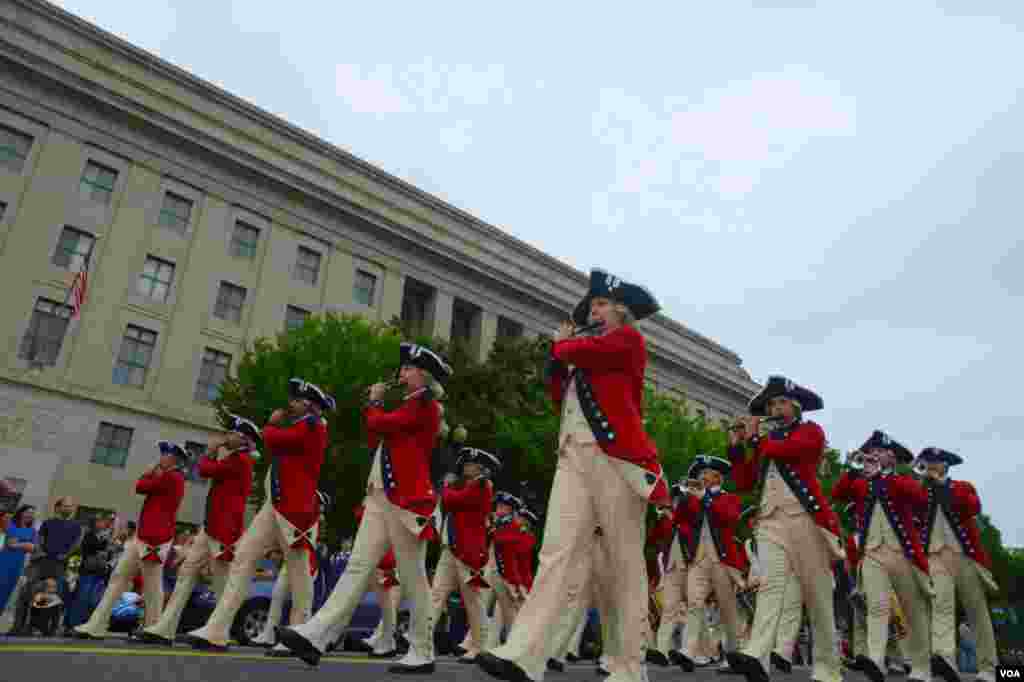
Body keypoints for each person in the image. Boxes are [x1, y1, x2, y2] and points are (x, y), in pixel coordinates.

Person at [478, 268, 668, 682]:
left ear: (621, 310)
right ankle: (524, 654)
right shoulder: (584, 351)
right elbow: (556, 393)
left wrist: (564, 344)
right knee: (555, 553)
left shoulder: (627, 339)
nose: (594, 311)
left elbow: (585, 353)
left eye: (600, 304)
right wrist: (557, 356)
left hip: (618, 460)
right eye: (592, 306)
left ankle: (630, 667)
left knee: (624, 564)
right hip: (573, 457)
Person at [277, 343, 450, 673]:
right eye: (404, 368)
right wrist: (376, 406)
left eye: (409, 368)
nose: (402, 372)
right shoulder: (411, 404)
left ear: (425, 376)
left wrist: (374, 402)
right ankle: (316, 635)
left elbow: (381, 424)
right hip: (382, 496)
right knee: (357, 567)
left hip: (406, 500)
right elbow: (381, 435)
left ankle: (422, 650)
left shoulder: (426, 405)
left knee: (413, 578)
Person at [184, 379, 332, 652]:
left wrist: (272, 424)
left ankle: (302, 634)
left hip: (295, 511)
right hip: (275, 505)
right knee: (243, 559)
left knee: (299, 575)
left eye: (297, 400)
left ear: (310, 405)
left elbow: (275, 439)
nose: (290, 404)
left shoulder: (312, 426)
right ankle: (217, 629)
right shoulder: (302, 425)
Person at [725, 375, 844, 682]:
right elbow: (744, 483)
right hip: (770, 520)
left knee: (818, 597)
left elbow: (790, 451)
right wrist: (737, 449)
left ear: (795, 405)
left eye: (780, 403)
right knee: (770, 587)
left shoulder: (810, 431)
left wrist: (755, 439)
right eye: (771, 404)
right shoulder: (768, 441)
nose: (774, 408)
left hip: (806, 519)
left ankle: (829, 669)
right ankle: (757, 656)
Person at [135, 416, 258, 645]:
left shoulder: (241, 460)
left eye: (231, 433)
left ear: (243, 439)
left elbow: (204, 470)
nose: (224, 436)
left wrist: (210, 453)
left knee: (222, 583)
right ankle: (165, 628)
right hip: (211, 526)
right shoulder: (234, 458)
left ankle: (220, 633)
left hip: (225, 530)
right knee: (186, 574)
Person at [831, 431, 932, 682]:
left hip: (902, 553)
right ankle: (876, 660)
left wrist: (884, 476)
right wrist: (853, 468)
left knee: (912, 610)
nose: (873, 454)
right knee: (876, 607)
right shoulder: (861, 482)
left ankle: (920, 665)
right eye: (871, 451)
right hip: (872, 554)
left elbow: (920, 497)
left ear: (892, 457)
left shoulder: (901, 481)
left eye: (879, 451)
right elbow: (838, 493)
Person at [73, 442, 187, 638]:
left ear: (173, 459)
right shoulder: (168, 476)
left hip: (155, 539)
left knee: (151, 586)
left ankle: (154, 628)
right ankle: (97, 623)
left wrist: (148, 473)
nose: (160, 459)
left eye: (164, 455)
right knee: (118, 578)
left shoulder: (173, 477)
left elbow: (140, 487)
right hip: (142, 536)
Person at [916, 447, 997, 682]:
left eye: (935, 462)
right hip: (935, 555)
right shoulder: (922, 491)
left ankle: (989, 668)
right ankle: (945, 658)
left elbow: (972, 507)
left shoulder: (962, 487)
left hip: (965, 556)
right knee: (940, 605)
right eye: (927, 461)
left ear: (945, 466)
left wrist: (941, 486)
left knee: (976, 611)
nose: (929, 465)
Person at [674, 456, 745, 673]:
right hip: (698, 559)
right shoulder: (696, 498)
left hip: (722, 561)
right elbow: (680, 518)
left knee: (727, 611)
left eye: (706, 474)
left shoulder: (729, 498)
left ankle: (734, 656)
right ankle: (688, 651)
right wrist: (685, 497)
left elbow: (728, 517)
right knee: (694, 604)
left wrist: (704, 498)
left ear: (717, 477)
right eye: (700, 474)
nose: (700, 478)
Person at [429, 447, 497, 663]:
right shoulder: (468, 484)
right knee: (436, 595)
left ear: (480, 467)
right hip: (452, 549)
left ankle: (481, 647)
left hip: (468, 552)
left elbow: (453, 501)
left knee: (473, 603)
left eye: (470, 463)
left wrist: (447, 486)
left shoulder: (481, 485)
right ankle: (420, 639)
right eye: (465, 463)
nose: (465, 466)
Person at [646, 482, 691, 667]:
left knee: (696, 610)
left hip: (692, 567)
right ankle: (662, 650)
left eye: (680, 498)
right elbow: (652, 540)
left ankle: (699, 650)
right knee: (669, 610)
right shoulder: (664, 520)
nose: (675, 502)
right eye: (675, 498)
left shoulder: (693, 518)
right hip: (671, 566)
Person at [0, 505, 37, 625]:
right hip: (3, 561)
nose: (30, 515)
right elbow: (10, 543)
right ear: (21, 512)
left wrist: (19, 544)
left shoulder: (32, 531)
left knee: (6, 592)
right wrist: (25, 544)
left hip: (17, 565)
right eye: (28, 512)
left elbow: (33, 548)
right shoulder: (10, 525)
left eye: (32, 513)